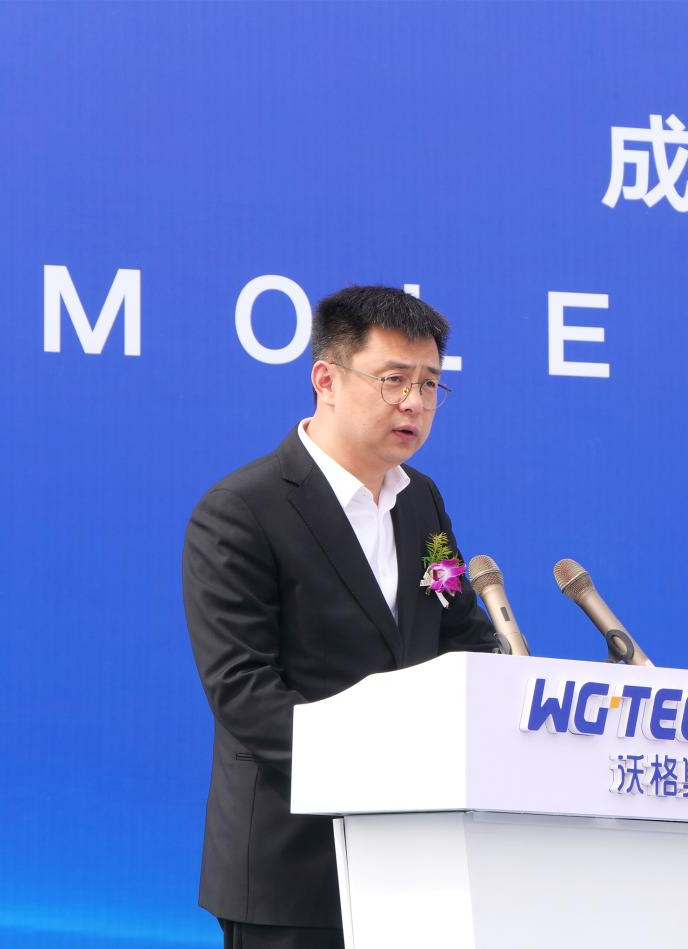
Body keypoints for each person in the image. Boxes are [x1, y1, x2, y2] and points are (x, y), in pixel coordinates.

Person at [182, 285, 497, 949]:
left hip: (420, 858)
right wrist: (386, 766)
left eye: (430, 383)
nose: (414, 403)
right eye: (393, 380)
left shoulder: (421, 502)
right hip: (292, 866)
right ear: (325, 379)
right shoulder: (242, 510)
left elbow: (460, 632)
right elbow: (243, 690)